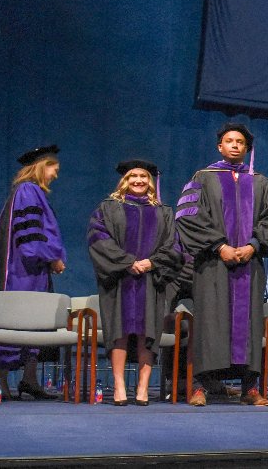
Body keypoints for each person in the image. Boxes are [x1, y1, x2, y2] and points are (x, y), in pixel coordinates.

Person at [175, 124, 268, 407]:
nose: (235, 145)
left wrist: (253, 246)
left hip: (250, 265)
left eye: (240, 142)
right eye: (229, 141)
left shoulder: (261, 182)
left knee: (248, 326)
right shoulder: (203, 177)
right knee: (211, 323)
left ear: (247, 149)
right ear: (219, 146)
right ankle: (202, 386)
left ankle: (250, 387)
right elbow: (188, 217)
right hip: (212, 265)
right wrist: (220, 246)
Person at [87, 159, 181, 406]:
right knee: (118, 333)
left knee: (147, 333)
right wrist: (127, 261)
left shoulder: (163, 212)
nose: (138, 180)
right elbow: (98, 238)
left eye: (143, 176)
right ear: (124, 181)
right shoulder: (108, 208)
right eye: (132, 176)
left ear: (150, 182)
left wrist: (151, 263)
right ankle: (119, 385)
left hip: (151, 279)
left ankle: (143, 386)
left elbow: (174, 246)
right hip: (119, 279)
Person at [0, 144, 65, 401]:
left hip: (32, 270)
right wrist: (51, 258)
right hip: (24, 271)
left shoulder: (30, 192)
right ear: (41, 167)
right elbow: (30, 241)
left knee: (33, 324)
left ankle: (29, 380)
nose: (55, 175)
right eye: (53, 168)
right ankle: (1, 380)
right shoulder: (28, 191)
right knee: (16, 321)